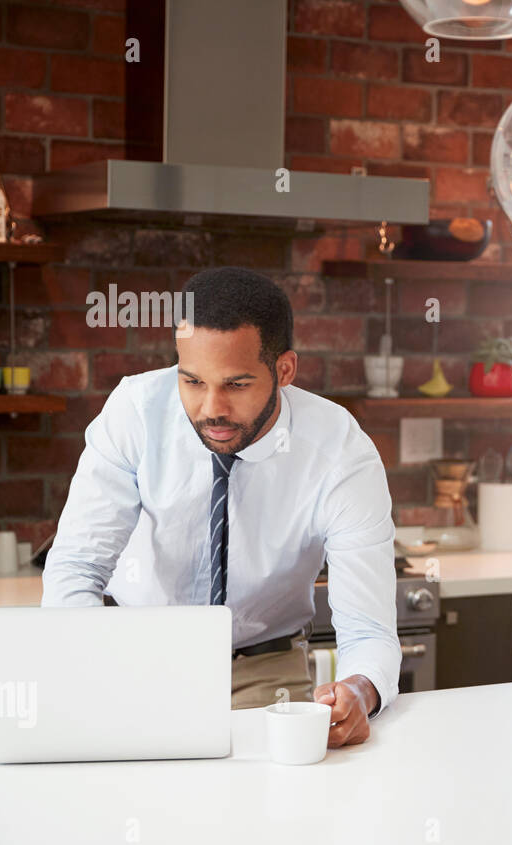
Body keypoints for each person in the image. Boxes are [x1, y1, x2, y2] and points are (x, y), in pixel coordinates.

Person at [42, 266, 400, 747]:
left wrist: (360, 689)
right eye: (192, 381)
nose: (211, 408)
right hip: (139, 662)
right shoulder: (134, 412)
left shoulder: (340, 451)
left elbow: (370, 629)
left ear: (285, 371)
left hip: (267, 671)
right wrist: (91, 673)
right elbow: (77, 568)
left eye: (236, 385)